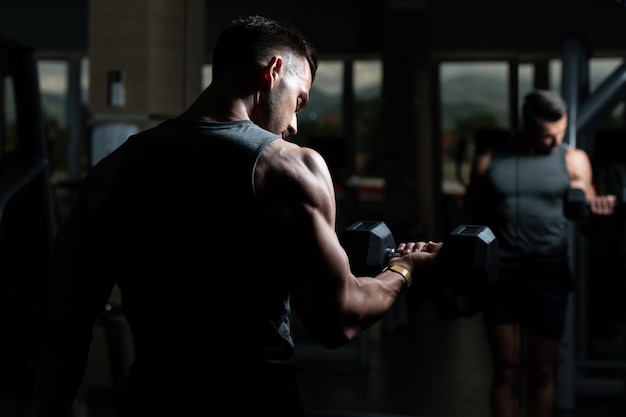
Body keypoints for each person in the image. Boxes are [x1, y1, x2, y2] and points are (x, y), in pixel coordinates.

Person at [34, 15, 441, 417]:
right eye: (299, 100)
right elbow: (338, 319)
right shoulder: (292, 168)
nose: (295, 124)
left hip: (151, 401)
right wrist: (402, 270)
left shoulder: (110, 171)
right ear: (274, 71)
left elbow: (64, 331)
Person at [463, 89, 616, 417]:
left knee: (542, 369)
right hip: (500, 276)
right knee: (507, 368)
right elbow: (470, 223)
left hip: (549, 273)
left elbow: (587, 227)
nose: (555, 141)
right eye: (548, 135)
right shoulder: (490, 160)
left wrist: (597, 214)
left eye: (560, 132)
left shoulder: (574, 160)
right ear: (527, 125)